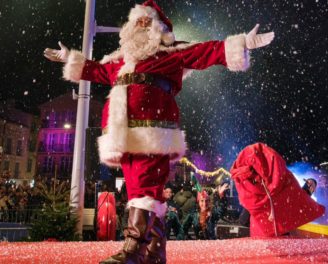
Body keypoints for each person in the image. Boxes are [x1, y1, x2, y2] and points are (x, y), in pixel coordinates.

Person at [44, 0, 274, 262]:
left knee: (144, 189)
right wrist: (68, 58)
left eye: (146, 22)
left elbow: (206, 51)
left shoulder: (168, 54)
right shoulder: (119, 62)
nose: (140, 26)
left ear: (158, 29)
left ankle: (134, 249)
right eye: (137, 22)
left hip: (153, 132)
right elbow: (95, 70)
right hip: (123, 135)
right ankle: (154, 251)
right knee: (139, 191)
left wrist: (244, 42)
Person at [231, 142, 325, 237]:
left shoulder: (252, 195)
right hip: (281, 242)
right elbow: (297, 200)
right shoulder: (282, 184)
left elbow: (243, 221)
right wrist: (307, 190)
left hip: (260, 244)